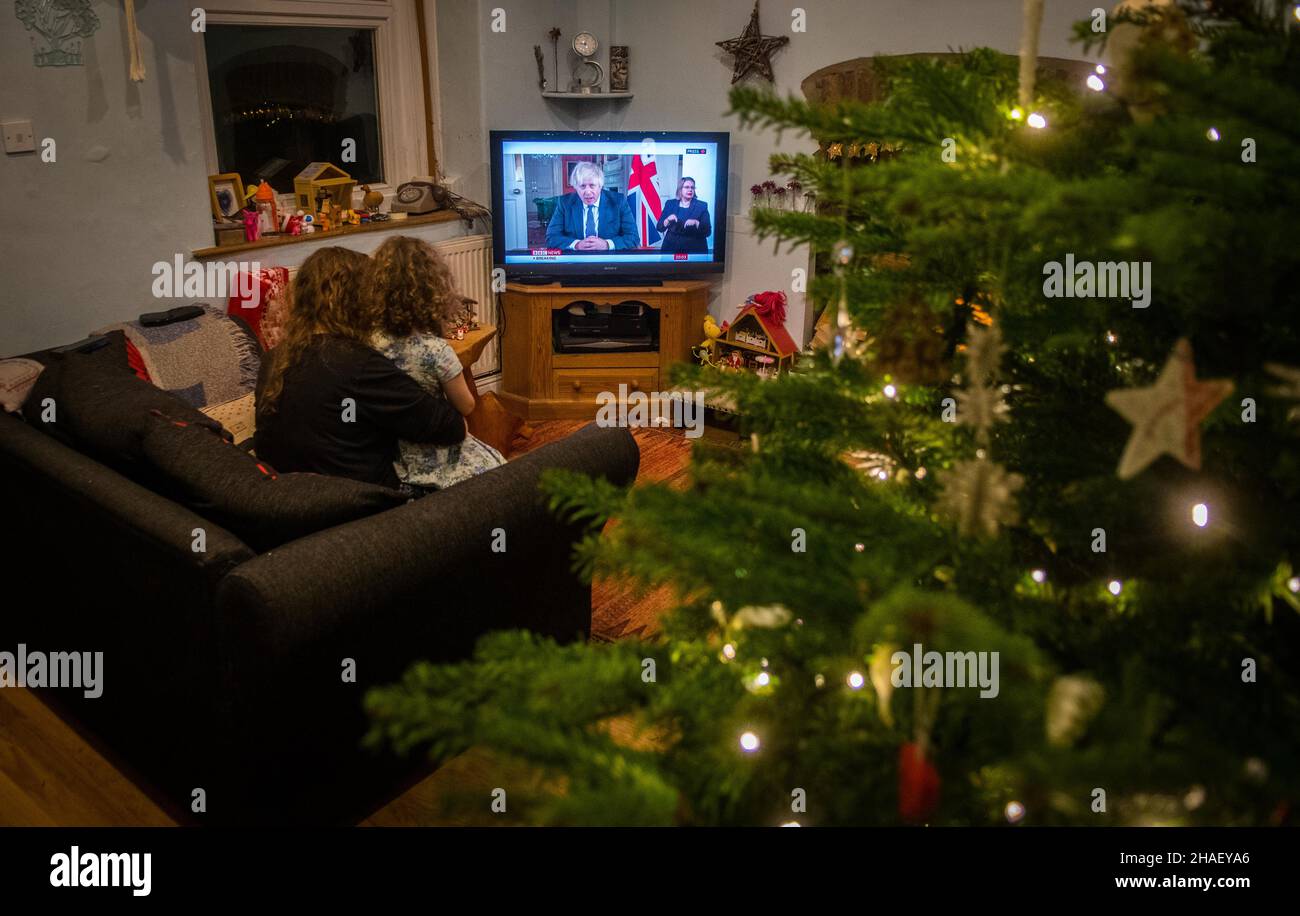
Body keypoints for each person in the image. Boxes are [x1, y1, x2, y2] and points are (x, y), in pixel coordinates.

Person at [254, 246, 466, 491]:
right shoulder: (359, 365)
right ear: (357, 301)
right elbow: (450, 427)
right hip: (358, 503)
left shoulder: (273, 360)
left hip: (287, 495)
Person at [362, 236, 506, 490]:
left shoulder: (369, 343)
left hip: (393, 454)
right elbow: (466, 405)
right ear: (435, 292)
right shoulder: (436, 351)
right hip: (438, 449)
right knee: (501, 474)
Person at [545, 161, 640, 251]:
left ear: (600, 185)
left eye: (592, 185)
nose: (587, 191)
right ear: (576, 187)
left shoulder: (618, 202)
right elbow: (551, 238)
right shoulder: (565, 203)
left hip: (609, 263)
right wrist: (577, 245)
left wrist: (607, 244)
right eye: (582, 186)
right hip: (576, 262)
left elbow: (633, 238)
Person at [656, 177, 711, 254]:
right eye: (687, 187)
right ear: (680, 189)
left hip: (694, 250)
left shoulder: (701, 206)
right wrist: (667, 220)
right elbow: (659, 228)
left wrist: (696, 223)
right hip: (671, 249)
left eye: (692, 187)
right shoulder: (670, 204)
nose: (690, 190)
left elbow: (708, 231)